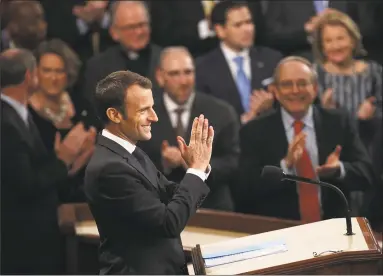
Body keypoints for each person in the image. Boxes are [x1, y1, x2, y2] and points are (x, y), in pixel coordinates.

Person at [84, 70, 214, 274]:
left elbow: (170, 195)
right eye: (144, 110)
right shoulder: (110, 169)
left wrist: (198, 169)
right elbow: (168, 222)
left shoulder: (131, 152)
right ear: (114, 114)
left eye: (152, 107)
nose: (154, 117)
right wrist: (195, 171)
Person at [238, 56, 374, 221]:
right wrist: (285, 165)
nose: (295, 91)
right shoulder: (254, 130)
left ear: (315, 88)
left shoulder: (339, 122)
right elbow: (244, 190)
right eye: (287, 84)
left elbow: (367, 174)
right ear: (275, 91)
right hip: (280, 229)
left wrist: (338, 169)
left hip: (333, 226)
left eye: (302, 83)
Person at [0, 49, 87, 274]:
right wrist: (63, 158)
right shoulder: (6, 123)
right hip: (22, 241)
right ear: (30, 76)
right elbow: (26, 183)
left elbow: (35, 167)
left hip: (36, 235)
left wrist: (64, 163)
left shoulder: (18, 113)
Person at [138, 46, 239, 211]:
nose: (184, 81)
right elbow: (134, 165)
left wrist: (195, 164)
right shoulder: (142, 115)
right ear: (160, 76)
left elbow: (232, 163)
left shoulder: (221, 112)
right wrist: (163, 162)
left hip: (213, 207)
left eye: (188, 72)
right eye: (175, 74)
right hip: (161, 208)